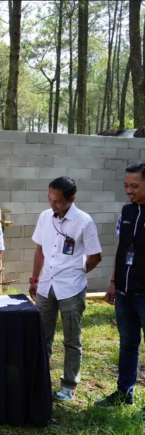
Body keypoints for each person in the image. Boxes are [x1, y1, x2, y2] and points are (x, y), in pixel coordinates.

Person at [29, 177, 102, 401]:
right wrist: (34, 278)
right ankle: (39, 380)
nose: (53, 204)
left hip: (71, 288)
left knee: (72, 339)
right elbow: (40, 249)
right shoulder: (44, 217)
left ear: (71, 199)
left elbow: (96, 256)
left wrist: (77, 273)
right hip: (46, 285)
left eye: (58, 201)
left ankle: (69, 385)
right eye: (50, 199)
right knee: (41, 336)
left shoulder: (84, 221)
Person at [97, 162, 145, 420]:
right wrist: (114, 283)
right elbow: (121, 249)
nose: (129, 190)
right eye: (126, 185)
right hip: (125, 293)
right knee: (128, 343)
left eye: (134, 186)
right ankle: (124, 392)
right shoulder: (126, 212)